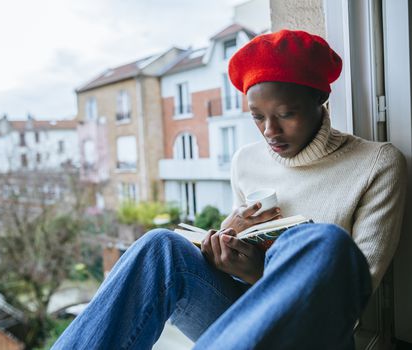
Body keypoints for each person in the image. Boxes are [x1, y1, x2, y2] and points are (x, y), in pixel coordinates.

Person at [52, 30, 407, 349]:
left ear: (320, 100)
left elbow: (353, 292)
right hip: (241, 320)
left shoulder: (376, 164)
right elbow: (232, 273)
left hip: (318, 335)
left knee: (319, 242)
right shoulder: (246, 161)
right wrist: (225, 245)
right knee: (160, 246)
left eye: (286, 114)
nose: (270, 130)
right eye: (257, 116)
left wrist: (259, 272)